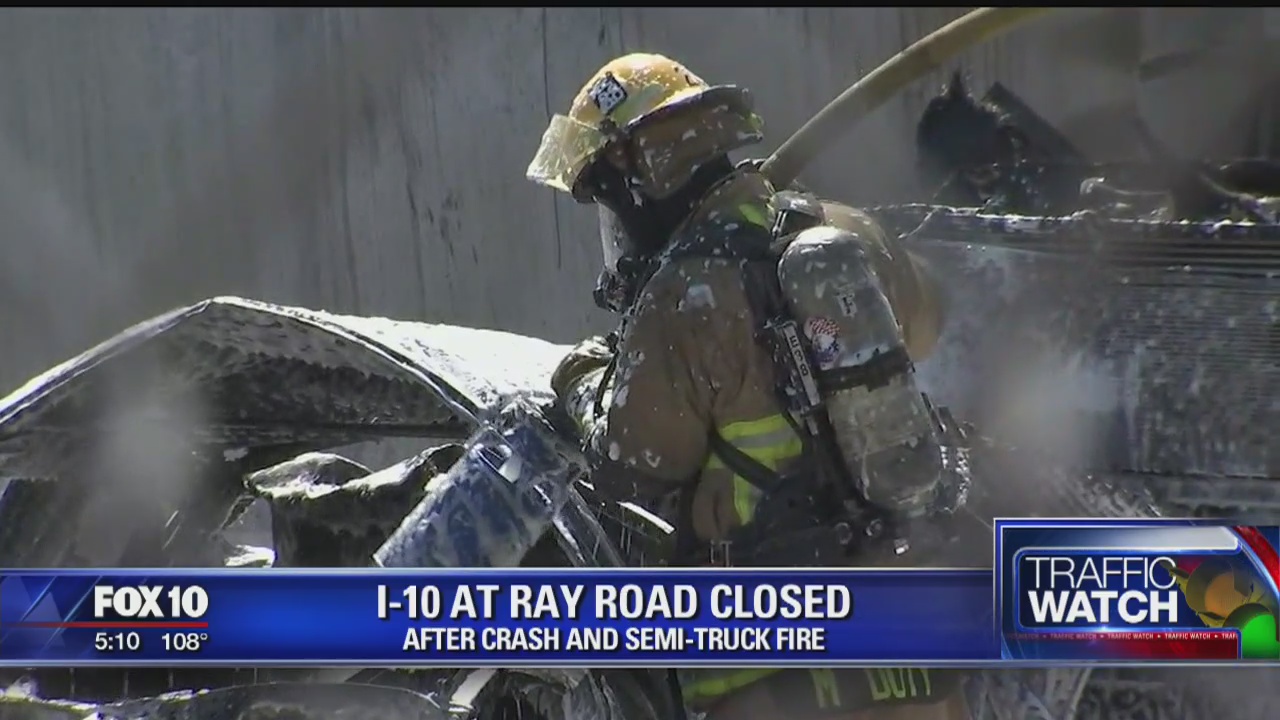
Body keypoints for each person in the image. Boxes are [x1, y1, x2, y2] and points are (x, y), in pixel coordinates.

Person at [526, 52, 971, 720]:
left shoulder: (681, 299)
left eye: (609, 206)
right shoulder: (844, 232)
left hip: (780, 680)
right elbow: (930, 323)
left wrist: (584, 381)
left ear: (638, 181)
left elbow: (625, 476)